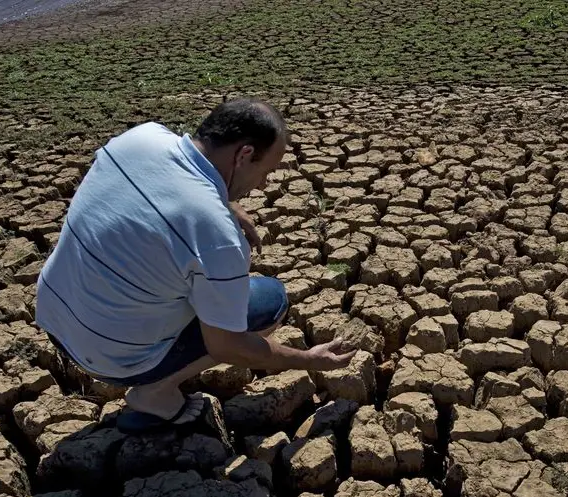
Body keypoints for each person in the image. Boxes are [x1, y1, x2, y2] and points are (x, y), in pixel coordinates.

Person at [35, 98, 355, 433]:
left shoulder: (140, 138)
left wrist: (223, 202)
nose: (262, 185)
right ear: (244, 155)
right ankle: (155, 393)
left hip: (54, 318)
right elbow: (228, 345)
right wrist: (308, 359)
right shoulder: (217, 235)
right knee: (267, 300)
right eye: (266, 172)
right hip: (111, 358)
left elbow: (165, 187)